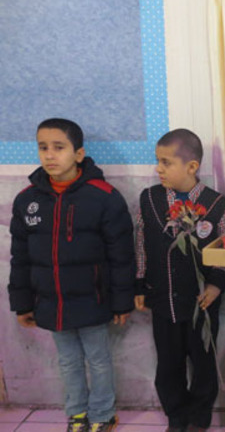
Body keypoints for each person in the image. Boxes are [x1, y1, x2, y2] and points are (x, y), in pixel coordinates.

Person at [8, 118, 135, 432]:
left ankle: (103, 414)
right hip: (51, 302)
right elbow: (20, 258)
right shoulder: (27, 200)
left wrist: (122, 301)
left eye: (59, 147)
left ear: (78, 154)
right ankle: (77, 413)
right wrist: (22, 303)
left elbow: (121, 255)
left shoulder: (104, 196)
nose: (50, 155)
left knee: (99, 359)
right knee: (67, 361)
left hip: (94, 299)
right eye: (43, 147)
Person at [134, 128, 225, 432]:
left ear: (192, 166)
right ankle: (176, 417)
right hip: (163, 300)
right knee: (168, 364)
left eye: (166, 162)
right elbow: (141, 244)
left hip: (201, 303)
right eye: (158, 161)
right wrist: (139, 284)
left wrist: (216, 285)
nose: (158, 169)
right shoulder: (149, 199)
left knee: (203, 363)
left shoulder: (216, 205)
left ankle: (200, 418)